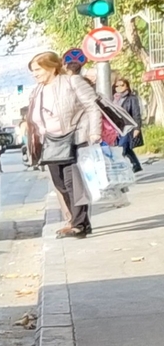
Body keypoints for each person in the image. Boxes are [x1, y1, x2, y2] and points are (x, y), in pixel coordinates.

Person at [24, 50, 105, 237]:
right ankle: (81, 222)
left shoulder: (72, 82)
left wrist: (94, 132)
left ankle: (77, 223)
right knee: (60, 184)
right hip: (51, 142)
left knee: (73, 182)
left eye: (38, 69)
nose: (35, 74)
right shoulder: (37, 90)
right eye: (33, 71)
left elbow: (92, 106)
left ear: (51, 67)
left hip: (76, 137)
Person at [109, 74, 146, 175]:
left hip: (127, 128)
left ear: (127, 86)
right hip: (116, 128)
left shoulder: (132, 98)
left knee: (122, 148)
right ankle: (136, 165)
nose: (119, 88)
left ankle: (122, 171)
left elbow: (136, 114)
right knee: (125, 148)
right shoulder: (113, 98)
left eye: (122, 85)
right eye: (117, 86)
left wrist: (137, 128)